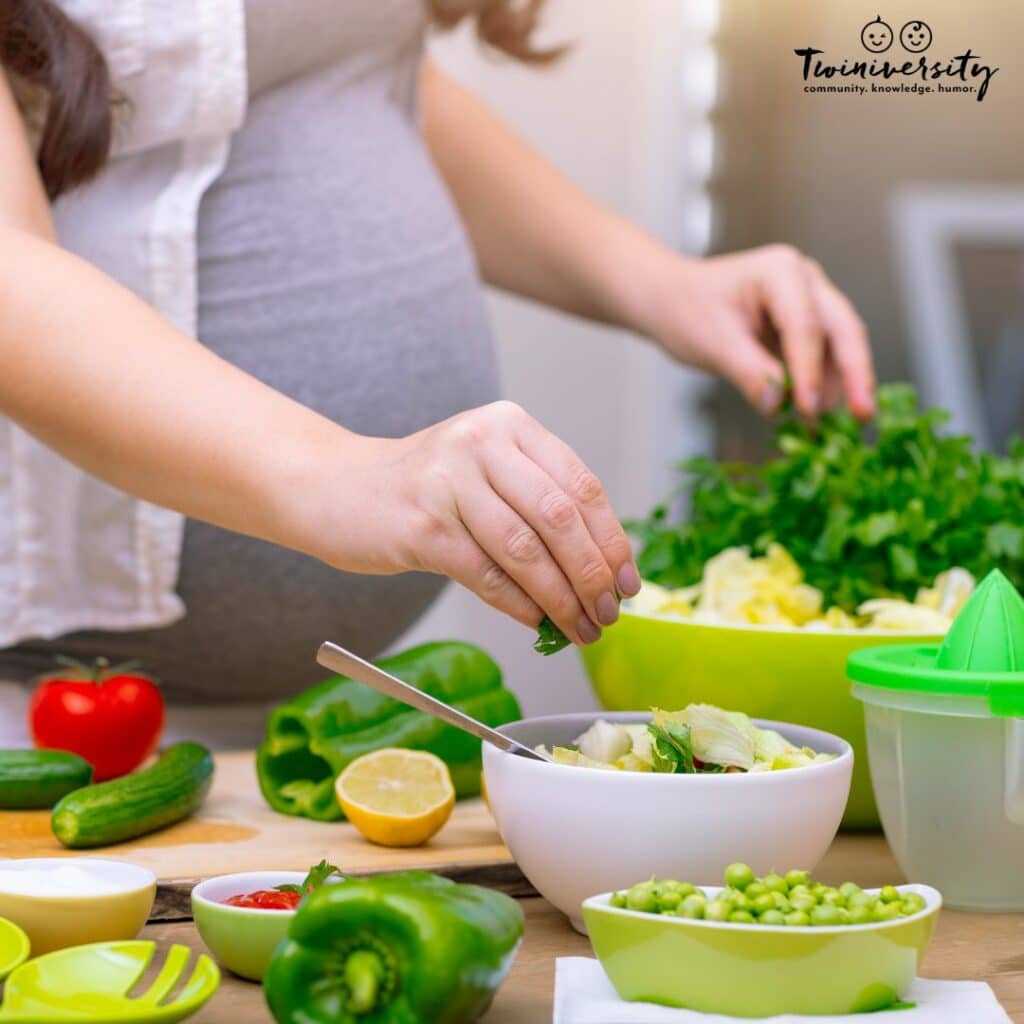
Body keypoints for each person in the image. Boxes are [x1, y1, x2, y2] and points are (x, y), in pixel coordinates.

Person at [0, 0, 875, 743]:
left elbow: (348, 66)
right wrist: (345, 474)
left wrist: (661, 284)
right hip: (54, 726)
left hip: (332, 704)